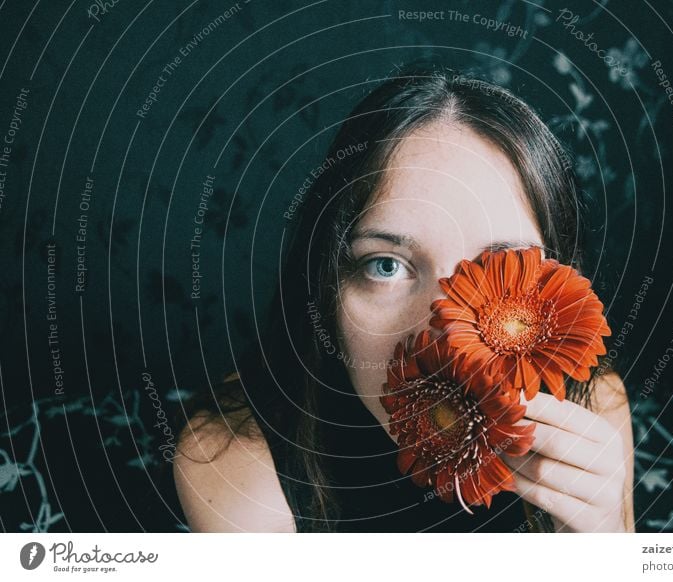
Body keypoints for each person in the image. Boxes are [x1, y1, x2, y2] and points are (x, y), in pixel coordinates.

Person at [172, 65, 635, 533]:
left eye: (498, 269)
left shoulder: (592, 406)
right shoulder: (233, 457)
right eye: (386, 265)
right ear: (326, 290)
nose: (446, 337)